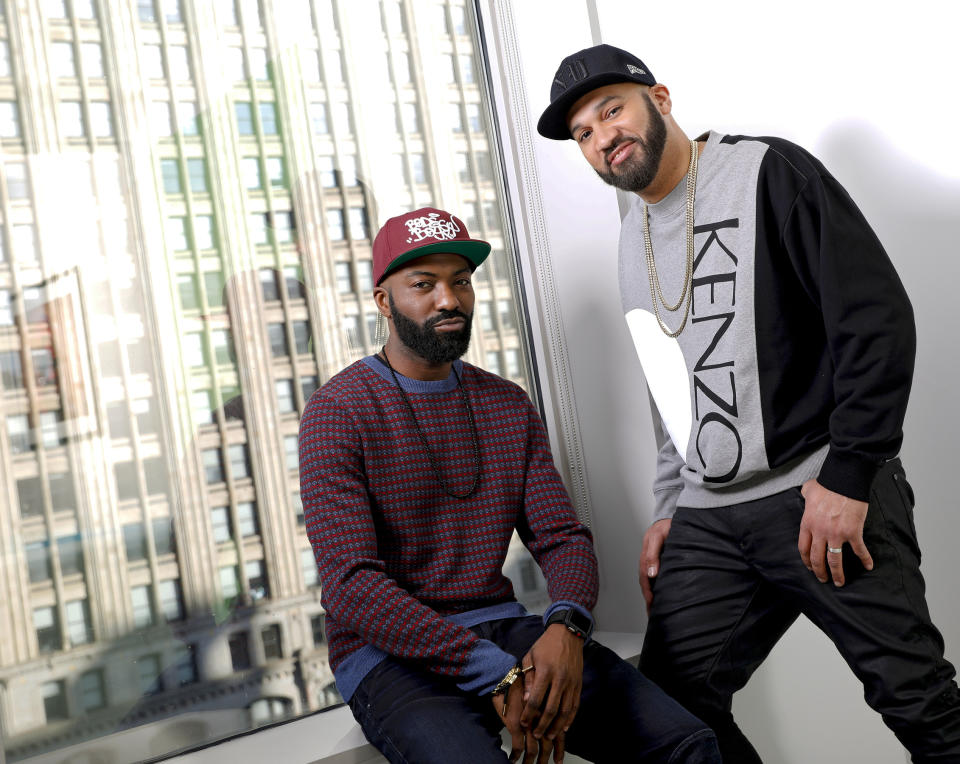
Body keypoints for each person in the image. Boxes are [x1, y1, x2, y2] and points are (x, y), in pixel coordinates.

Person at [536, 43, 960, 762]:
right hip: (711, 517)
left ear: (660, 99)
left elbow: (876, 318)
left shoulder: (768, 171)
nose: (602, 137)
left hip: (818, 489)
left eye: (613, 111)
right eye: (582, 133)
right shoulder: (628, 240)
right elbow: (666, 391)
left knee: (916, 700)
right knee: (668, 715)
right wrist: (670, 507)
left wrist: (850, 474)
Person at [298, 206, 720, 763]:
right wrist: (497, 674)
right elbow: (351, 586)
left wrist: (567, 627)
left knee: (687, 747)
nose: (448, 300)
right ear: (384, 301)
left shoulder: (505, 404)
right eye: (423, 285)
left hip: (501, 629)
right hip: (387, 656)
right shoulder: (339, 410)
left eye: (460, 281)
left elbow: (562, 537)